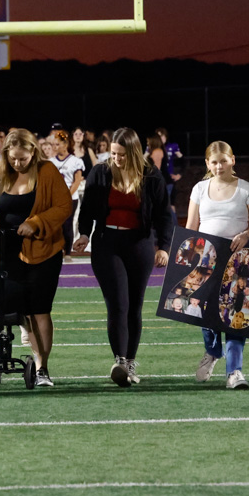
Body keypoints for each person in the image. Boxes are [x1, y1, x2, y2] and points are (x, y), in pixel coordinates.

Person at [0, 129, 71, 387]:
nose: (17, 163)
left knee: (40, 310)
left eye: (23, 159)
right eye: (13, 159)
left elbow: (63, 206)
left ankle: (42, 367)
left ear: (33, 153)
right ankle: (24, 326)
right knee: (3, 306)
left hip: (42, 252)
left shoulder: (47, 172)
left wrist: (36, 223)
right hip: (4, 250)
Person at [73, 127, 172, 387]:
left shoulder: (151, 175)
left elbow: (163, 214)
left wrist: (164, 246)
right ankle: (119, 361)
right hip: (107, 243)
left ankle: (129, 362)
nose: (116, 158)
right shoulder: (101, 172)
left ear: (134, 152)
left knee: (135, 306)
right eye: (113, 153)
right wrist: (84, 234)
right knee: (118, 303)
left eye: (122, 154)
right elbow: (88, 209)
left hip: (139, 243)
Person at [186, 140, 249, 390]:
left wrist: (245, 235)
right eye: (214, 162)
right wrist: (187, 257)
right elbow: (191, 225)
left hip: (239, 262)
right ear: (207, 164)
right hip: (206, 260)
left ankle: (235, 371)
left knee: (237, 315)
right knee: (204, 312)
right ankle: (212, 351)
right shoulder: (199, 188)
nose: (219, 166)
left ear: (233, 160)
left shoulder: (246, 189)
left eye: (223, 161)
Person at [49, 129, 83, 258]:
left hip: (70, 197)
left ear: (65, 144)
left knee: (67, 224)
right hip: (55, 198)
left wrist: (67, 195)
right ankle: (56, 250)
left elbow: (77, 180)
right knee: (55, 225)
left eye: (58, 144)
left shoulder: (75, 161)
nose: (55, 147)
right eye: (54, 145)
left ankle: (67, 252)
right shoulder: (51, 161)